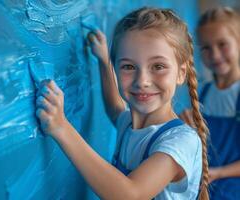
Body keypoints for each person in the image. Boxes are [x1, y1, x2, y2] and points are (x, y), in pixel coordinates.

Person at [35, 7, 209, 199]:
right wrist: (103, 61)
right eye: (128, 66)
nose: (142, 81)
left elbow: (130, 194)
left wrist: (61, 128)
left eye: (158, 66)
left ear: (181, 73)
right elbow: (115, 108)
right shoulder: (129, 124)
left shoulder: (181, 141)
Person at [180, 6, 240, 200]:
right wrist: (188, 129)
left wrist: (218, 173)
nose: (214, 55)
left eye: (222, 44)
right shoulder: (203, 92)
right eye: (206, 48)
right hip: (205, 191)